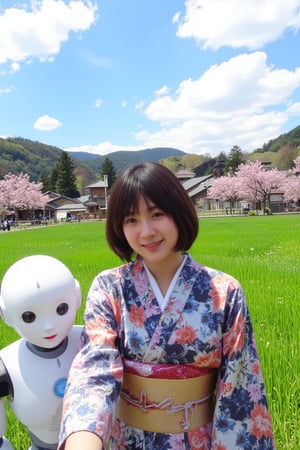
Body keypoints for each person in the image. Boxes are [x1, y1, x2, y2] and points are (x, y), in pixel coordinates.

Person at [58, 161, 276, 450]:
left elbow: (240, 387)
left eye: (157, 214)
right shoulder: (109, 288)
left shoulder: (224, 292)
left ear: (179, 211)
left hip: (197, 441)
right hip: (130, 442)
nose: (146, 232)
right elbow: (94, 371)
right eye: (131, 220)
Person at [0, 255, 82, 450]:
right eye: (29, 316)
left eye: (61, 309)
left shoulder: (92, 340)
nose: (48, 326)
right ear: (5, 313)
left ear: (77, 297)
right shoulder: (6, 365)